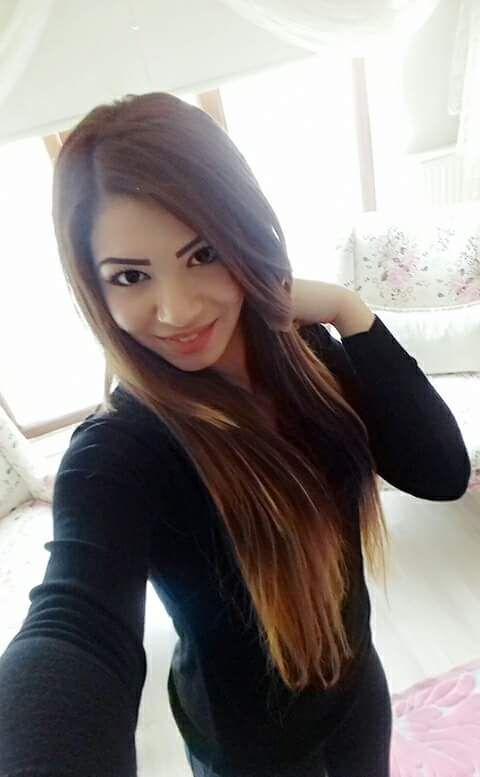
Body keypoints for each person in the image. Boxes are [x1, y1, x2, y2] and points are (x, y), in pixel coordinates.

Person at [0, 92, 470, 777]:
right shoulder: (117, 453)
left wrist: (351, 312)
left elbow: (441, 472)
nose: (176, 310)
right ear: (95, 290)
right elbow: (75, 623)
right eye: (130, 276)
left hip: (357, 694)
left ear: (246, 234)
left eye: (204, 253)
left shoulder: (308, 357)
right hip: (249, 752)